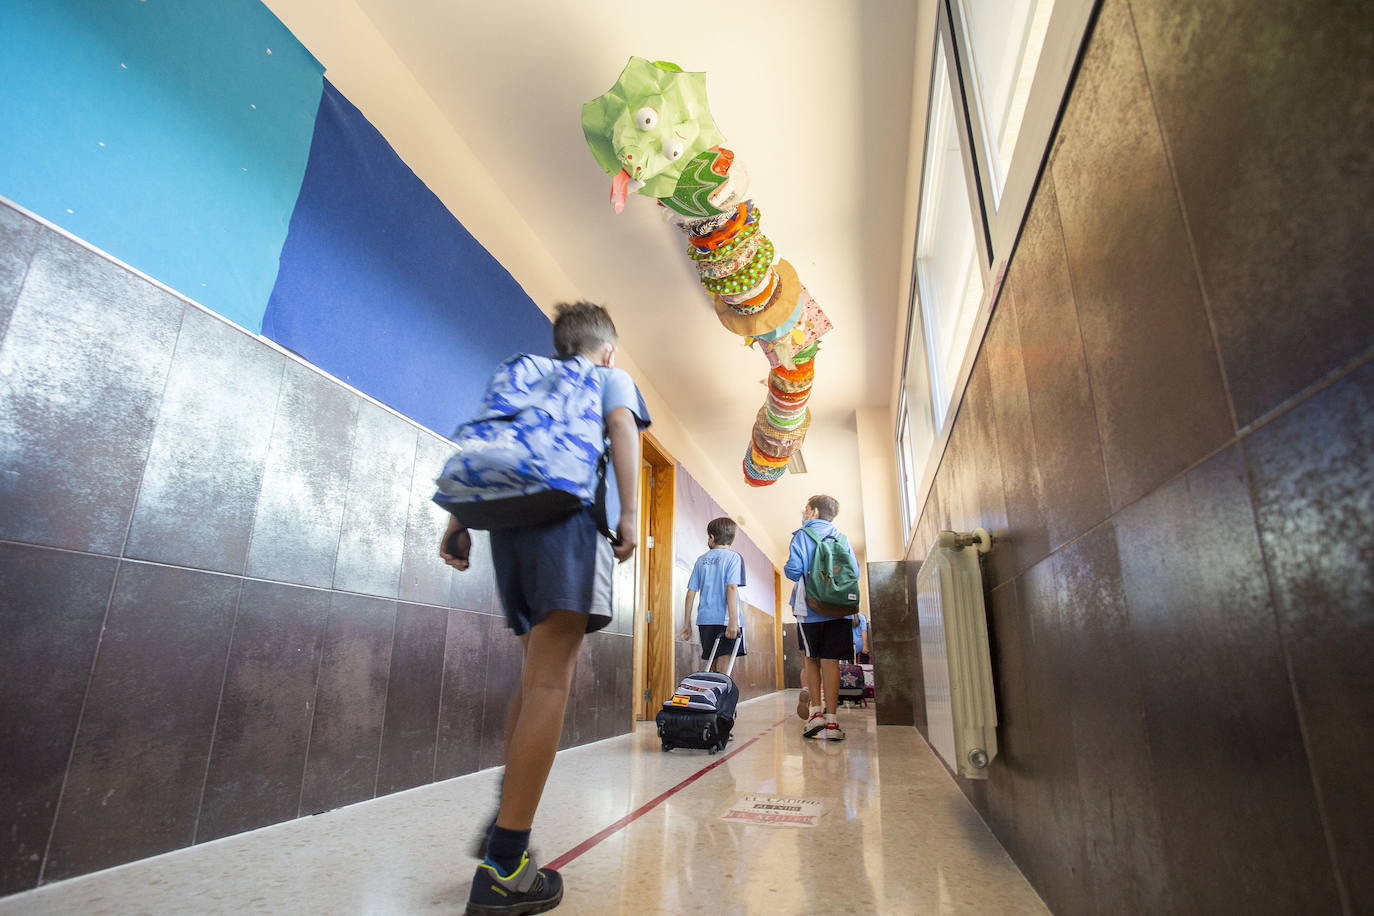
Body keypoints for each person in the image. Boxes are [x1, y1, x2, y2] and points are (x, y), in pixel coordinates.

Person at [440, 302, 649, 915]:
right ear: (607, 349)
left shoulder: (529, 376)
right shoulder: (610, 377)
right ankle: (507, 863)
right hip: (568, 527)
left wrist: (459, 522)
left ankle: (508, 813)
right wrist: (631, 515)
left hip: (509, 532)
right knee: (552, 682)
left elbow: (491, 444)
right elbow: (623, 432)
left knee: (535, 679)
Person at [783, 494, 860, 741]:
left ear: (814, 511)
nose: (804, 511)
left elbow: (794, 571)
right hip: (838, 608)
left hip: (810, 609)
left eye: (807, 508)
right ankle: (833, 721)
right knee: (831, 662)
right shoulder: (842, 537)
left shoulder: (802, 535)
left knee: (811, 659)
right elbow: (854, 572)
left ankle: (815, 714)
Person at [679, 516, 748, 673]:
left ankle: (712, 696)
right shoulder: (733, 557)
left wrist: (687, 623)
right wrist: (733, 620)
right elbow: (731, 587)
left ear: (711, 537)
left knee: (712, 662)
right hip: (725, 619)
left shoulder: (700, 560)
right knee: (725, 664)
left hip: (705, 620)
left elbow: (690, 593)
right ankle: (720, 697)